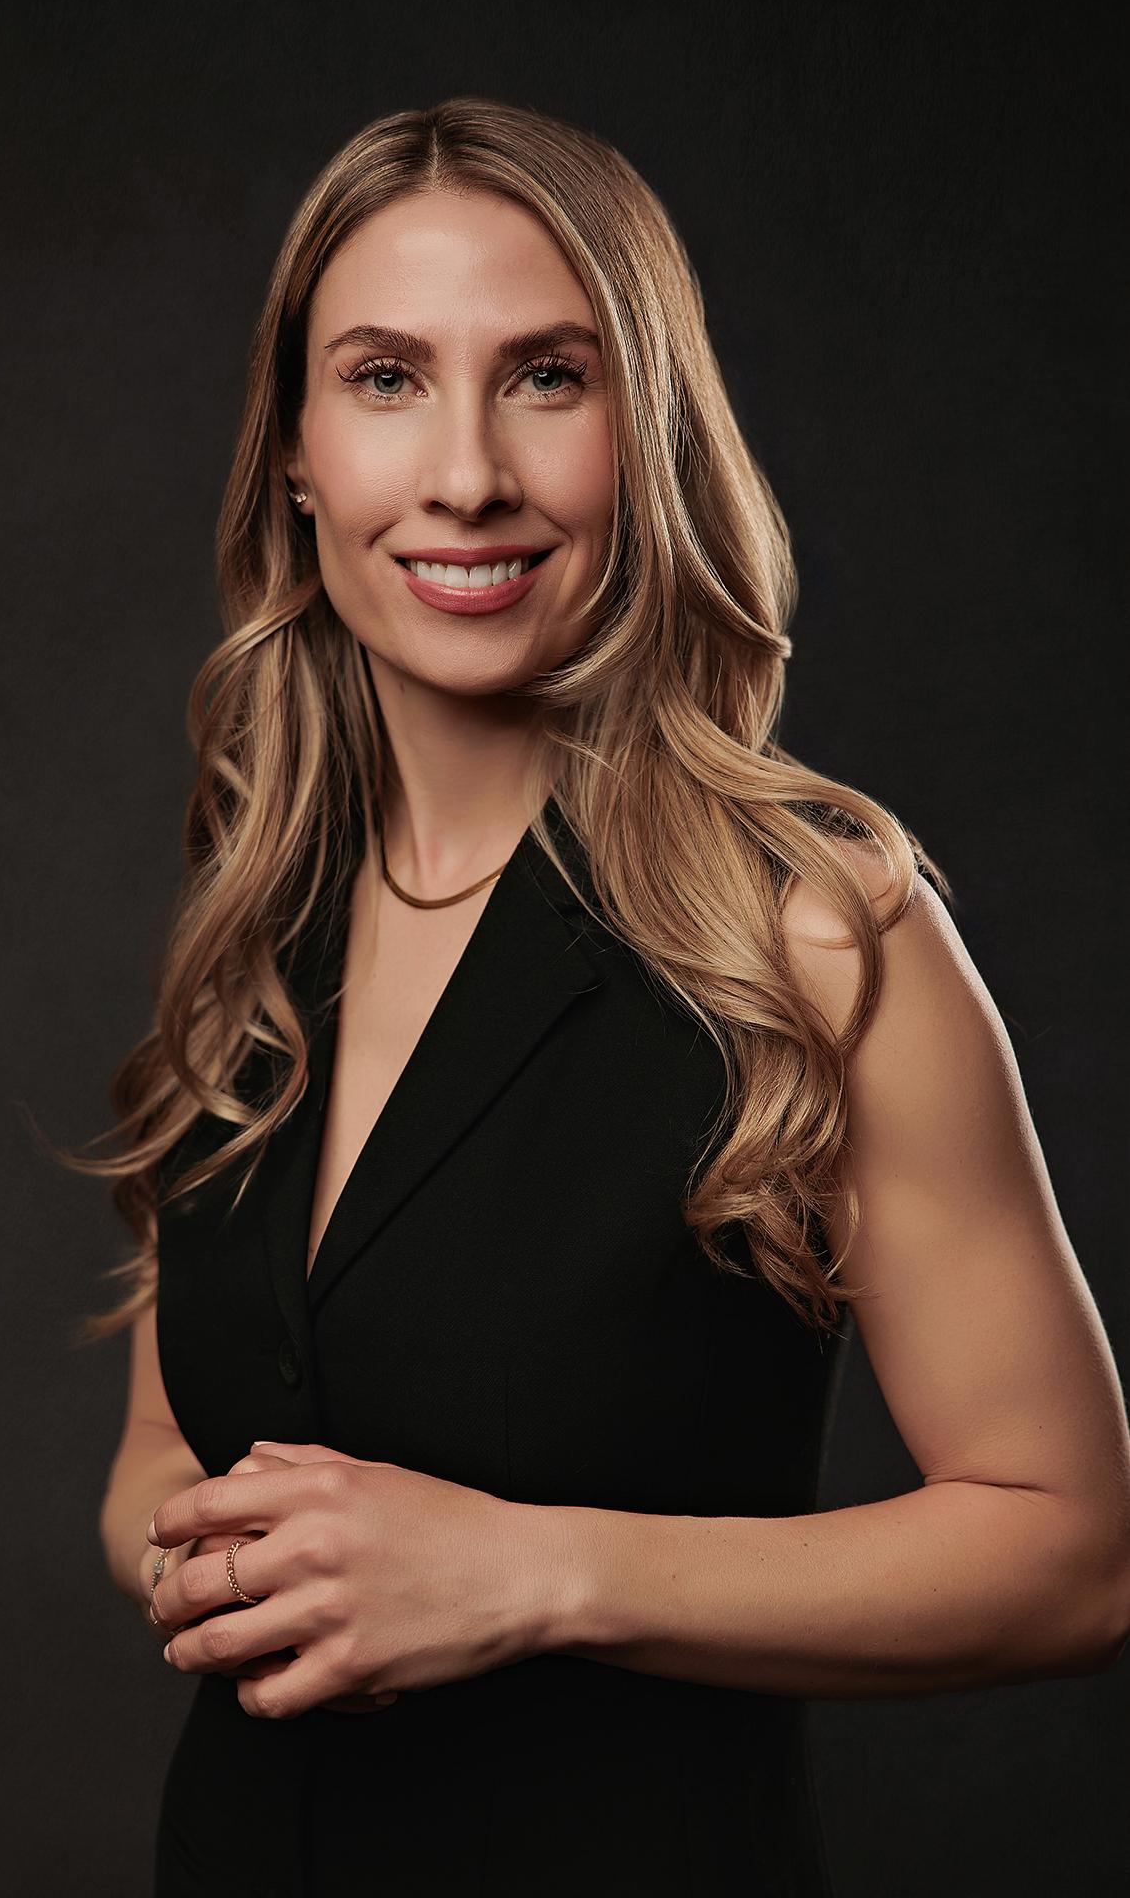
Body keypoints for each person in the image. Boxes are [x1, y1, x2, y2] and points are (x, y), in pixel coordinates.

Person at [73, 99, 1130, 1895]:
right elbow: (169, 1453)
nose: (466, 471)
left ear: (645, 431)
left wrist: (528, 1577)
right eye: (388, 377)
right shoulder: (261, 910)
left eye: (547, 376)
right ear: (299, 455)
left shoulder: (812, 931)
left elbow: (1072, 1556)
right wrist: (195, 1557)